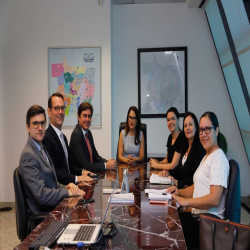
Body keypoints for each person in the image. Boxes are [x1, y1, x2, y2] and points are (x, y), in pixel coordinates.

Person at [166, 111, 229, 248]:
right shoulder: (207, 156)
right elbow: (196, 187)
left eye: (208, 129)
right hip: (198, 217)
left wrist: (187, 201)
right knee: (167, 220)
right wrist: (179, 192)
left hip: (208, 224)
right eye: (201, 130)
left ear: (216, 131)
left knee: (169, 230)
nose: (203, 134)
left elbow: (214, 199)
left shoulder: (218, 158)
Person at [19, 105, 85, 217]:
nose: (40, 128)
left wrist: (67, 187)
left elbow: (51, 183)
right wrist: (66, 192)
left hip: (54, 209)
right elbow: (42, 196)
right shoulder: (28, 155)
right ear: (27, 127)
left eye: (42, 123)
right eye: (35, 123)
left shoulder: (41, 148)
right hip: (44, 216)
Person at [43, 93, 93, 185]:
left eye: (62, 108)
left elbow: (69, 167)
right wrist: (78, 178)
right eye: (57, 108)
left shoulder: (63, 138)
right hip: (59, 190)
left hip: (69, 186)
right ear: (49, 112)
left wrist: (83, 172)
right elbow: (55, 172)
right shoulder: (46, 138)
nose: (61, 112)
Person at [159, 112, 206, 189]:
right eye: (185, 126)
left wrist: (178, 183)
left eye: (190, 124)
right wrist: (168, 172)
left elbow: (194, 178)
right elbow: (180, 169)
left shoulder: (199, 148)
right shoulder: (186, 146)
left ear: (196, 127)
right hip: (181, 188)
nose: (187, 128)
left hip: (189, 192)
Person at [68, 102, 117, 172]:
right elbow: (86, 165)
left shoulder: (88, 133)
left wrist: (108, 162)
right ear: (79, 117)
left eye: (89, 116)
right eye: (85, 116)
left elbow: (95, 157)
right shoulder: (76, 135)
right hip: (79, 178)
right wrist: (106, 165)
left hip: (89, 175)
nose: (87, 119)